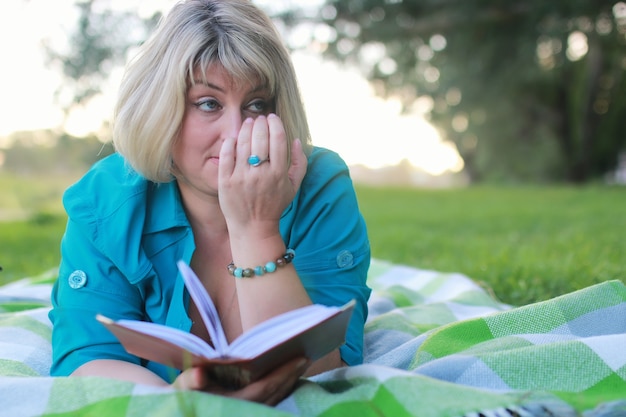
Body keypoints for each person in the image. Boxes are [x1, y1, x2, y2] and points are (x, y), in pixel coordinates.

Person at [49, 0, 371, 406]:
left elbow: (327, 365)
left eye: (257, 104)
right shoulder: (105, 200)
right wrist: (178, 400)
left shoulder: (320, 184)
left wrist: (257, 228)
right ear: (160, 110)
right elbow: (86, 357)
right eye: (208, 103)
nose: (236, 132)